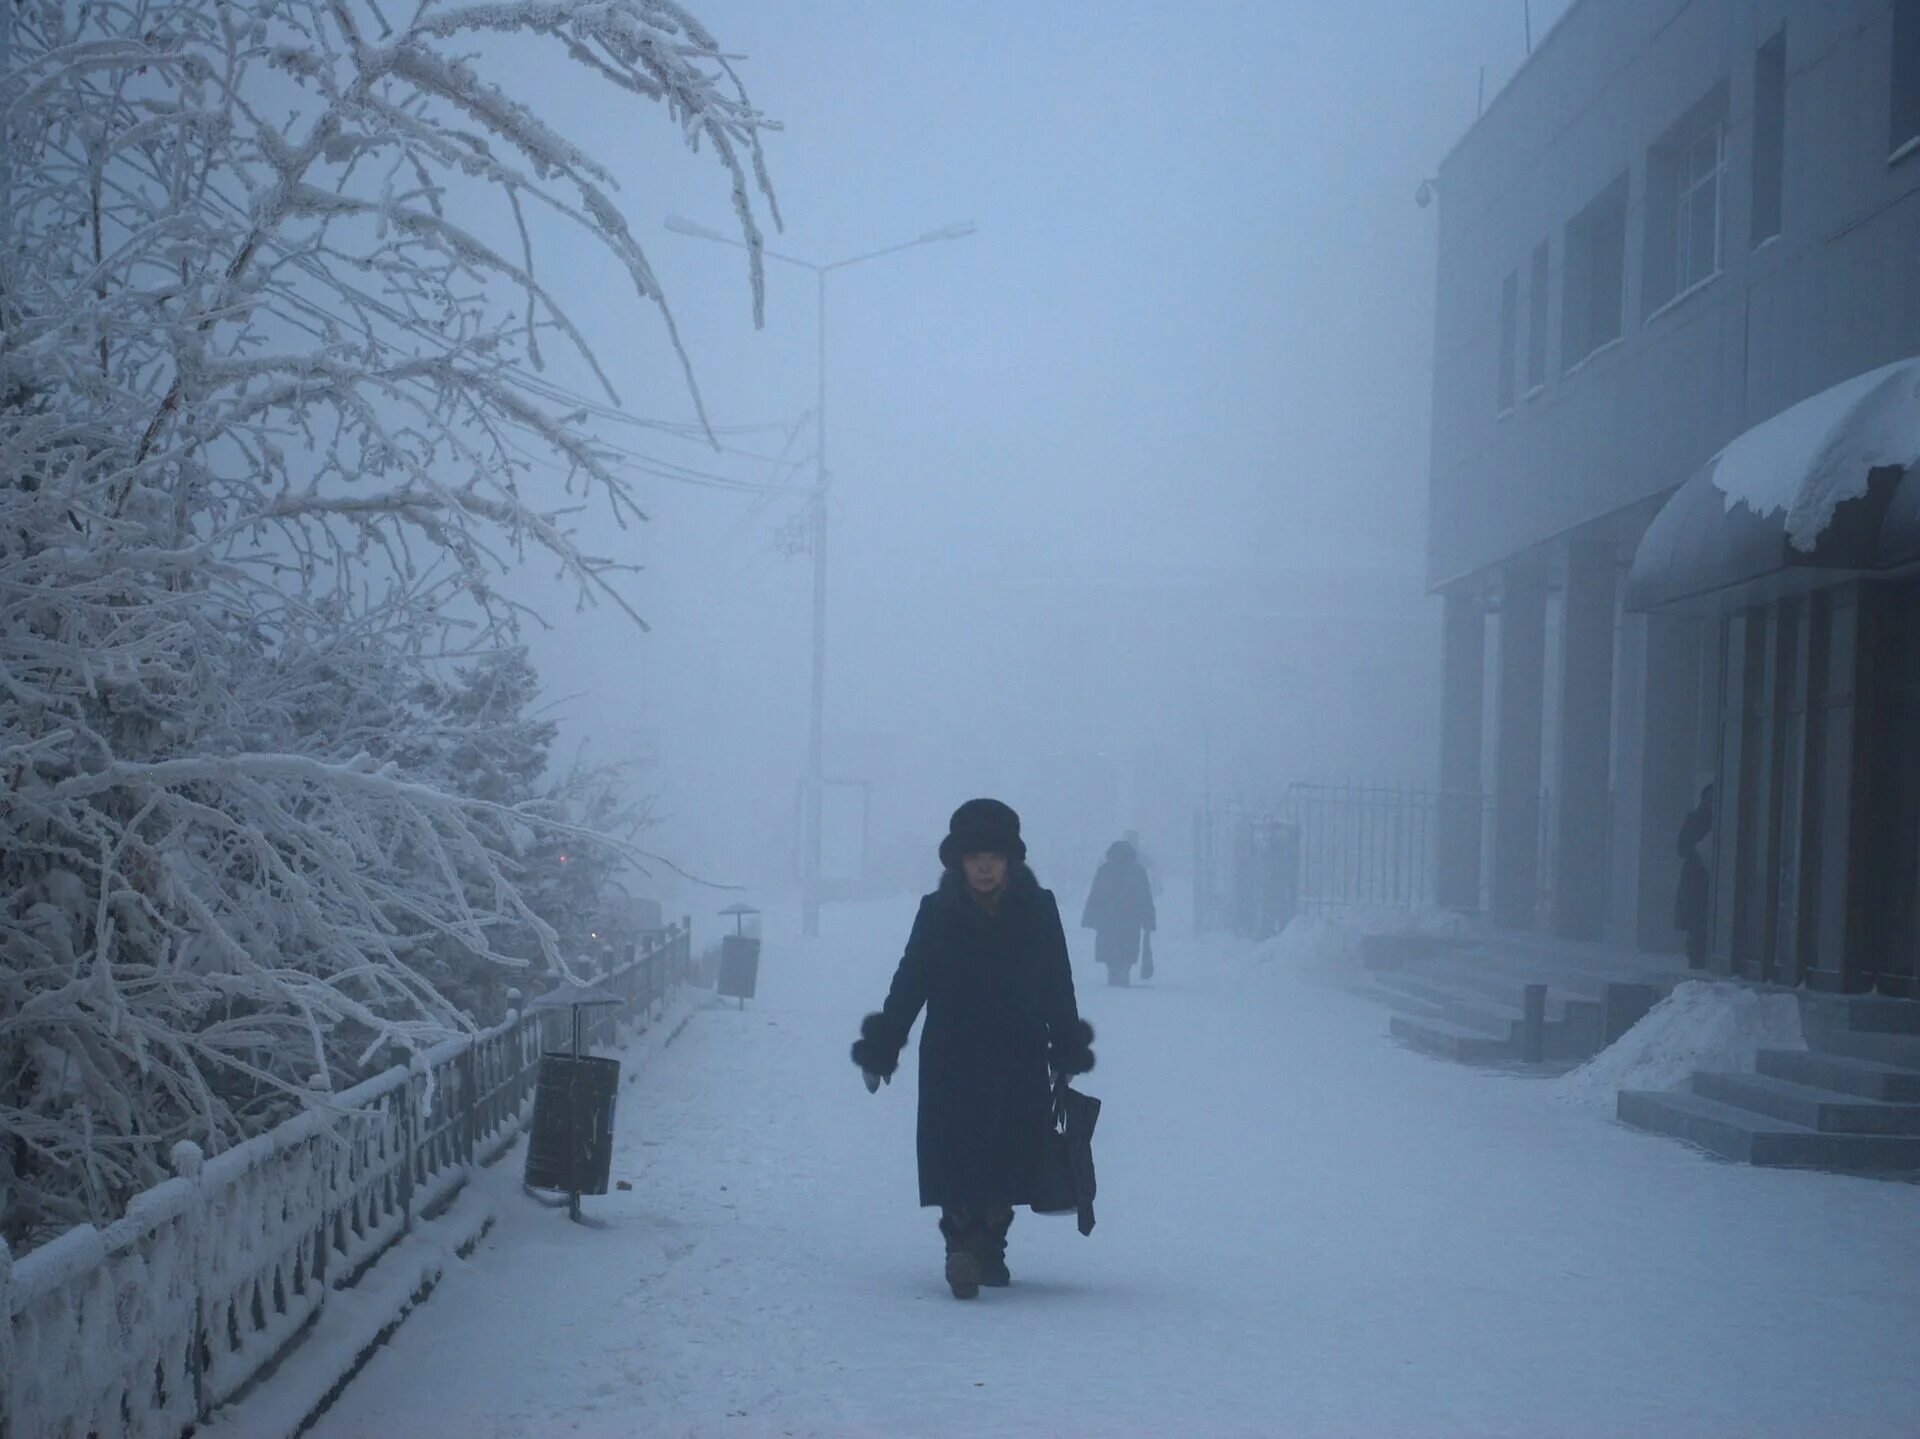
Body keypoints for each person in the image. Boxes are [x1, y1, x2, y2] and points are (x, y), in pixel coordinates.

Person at [850, 798, 1095, 1300]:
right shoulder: (936, 912)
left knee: (1009, 1155)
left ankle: (992, 1247)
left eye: (994, 856)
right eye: (974, 856)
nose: (984, 865)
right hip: (952, 1056)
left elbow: (1057, 982)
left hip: (1017, 1052)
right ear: (958, 862)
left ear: (1009, 861)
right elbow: (911, 980)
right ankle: (960, 1247)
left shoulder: (1038, 910)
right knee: (956, 1152)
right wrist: (884, 1044)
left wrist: (1065, 1046)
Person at [1082, 838, 1157, 986]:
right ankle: (1122, 975)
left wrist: (1090, 916)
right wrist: (1148, 920)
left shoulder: (1106, 870)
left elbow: (1095, 894)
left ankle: (1115, 975)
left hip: (1109, 920)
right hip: (1129, 921)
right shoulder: (1137, 871)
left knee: (1111, 952)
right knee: (1126, 952)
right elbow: (1146, 898)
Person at [1674, 782, 1714, 969]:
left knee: (1698, 921)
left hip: (1701, 878)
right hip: (1698, 878)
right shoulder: (1697, 820)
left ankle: (1697, 956)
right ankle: (1697, 957)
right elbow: (1682, 848)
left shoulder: (1697, 819)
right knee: (1698, 921)